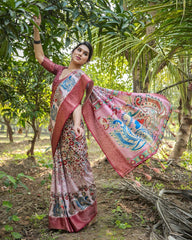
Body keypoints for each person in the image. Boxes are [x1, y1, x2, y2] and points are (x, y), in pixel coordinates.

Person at [33, 15, 172, 233]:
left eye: (85, 54)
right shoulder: (59, 71)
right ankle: (63, 216)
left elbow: (76, 104)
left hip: (71, 129)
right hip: (56, 129)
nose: (80, 54)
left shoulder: (82, 78)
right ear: (73, 52)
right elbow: (39, 56)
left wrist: (78, 126)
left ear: (86, 60)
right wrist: (36, 29)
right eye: (79, 50)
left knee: (79, 169)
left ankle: (85, 212)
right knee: (61, 169)